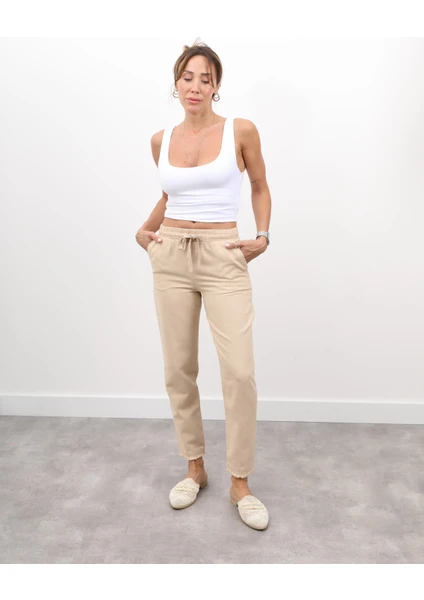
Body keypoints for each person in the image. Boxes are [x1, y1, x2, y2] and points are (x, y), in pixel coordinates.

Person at [135, 40, 272, 531]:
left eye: (206, 78)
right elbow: (170, 194)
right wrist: (145, 231)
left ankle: (241, 482)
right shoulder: (161, 139)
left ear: (217, 86)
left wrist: (262, 236)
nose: (196, 86)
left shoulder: (240, 130)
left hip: (223, 254)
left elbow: (259, 185)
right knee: (179, 368)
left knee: (239, 372)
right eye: (188, 77)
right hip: (171, 253)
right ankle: (195, 468)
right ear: (176, 83)